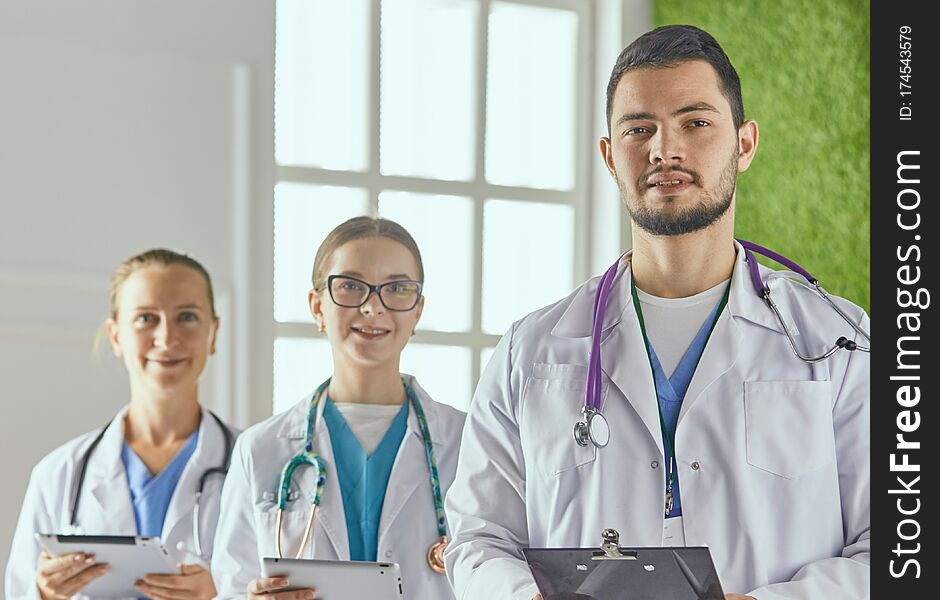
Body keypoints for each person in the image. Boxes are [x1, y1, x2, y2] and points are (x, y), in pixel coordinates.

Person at [444, 24, 869, 600]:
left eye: (695, 123)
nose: (664, 150)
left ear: (744, 144)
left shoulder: (840, 342)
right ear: (609, 157)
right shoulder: (532, 350)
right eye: (638, 129)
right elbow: (477, 539)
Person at [211, 216, 466, 599]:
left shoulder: (469, 443)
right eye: (350, 286)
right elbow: (231, 587)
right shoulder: (261, 448)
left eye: (396, 288)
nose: (372, 307)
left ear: (417, 311)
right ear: (317, 306)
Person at [5, 249, 239, 600]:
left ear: (214, 333)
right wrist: (43, 593)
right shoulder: (59, 473)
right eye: (146, 318)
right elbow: (19, 590)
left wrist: (223, 590)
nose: (166, 338)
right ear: (116, 336)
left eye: (187, 316)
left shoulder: (255, 464)